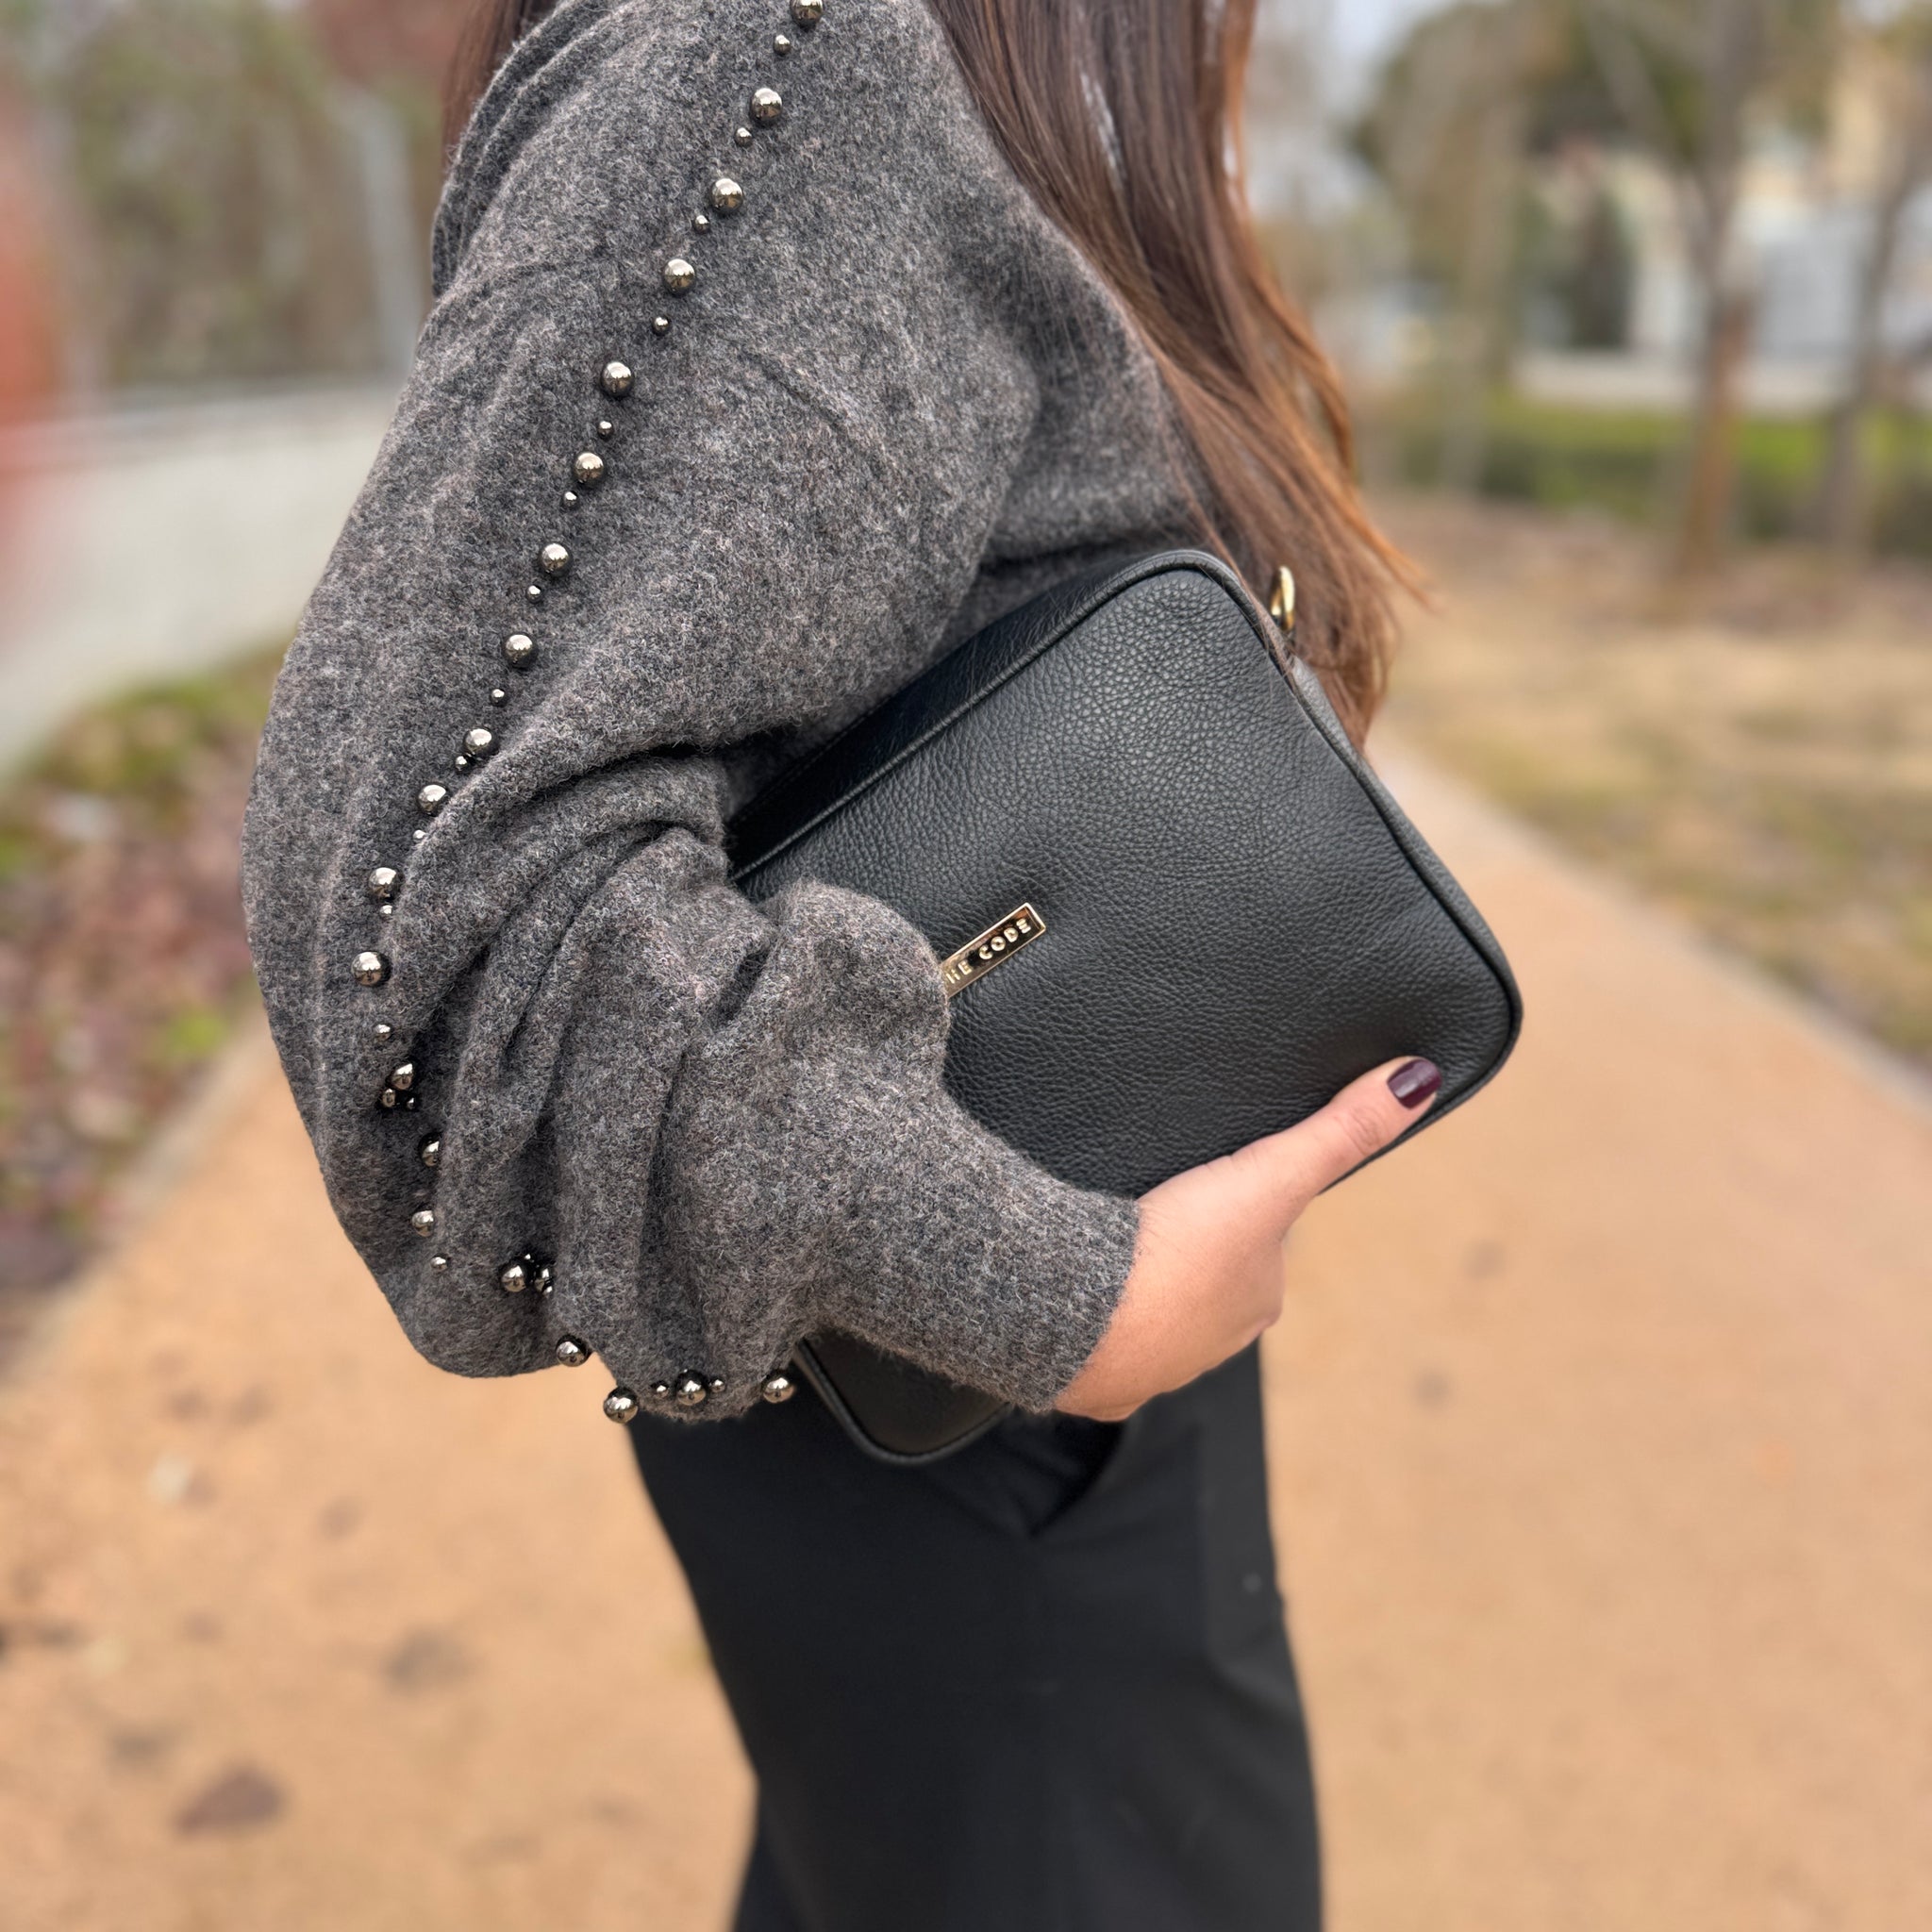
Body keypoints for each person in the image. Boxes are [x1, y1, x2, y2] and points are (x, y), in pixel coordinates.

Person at [242, 0, 1433, 1924]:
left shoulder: (872, 87)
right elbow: (422, 923)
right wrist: (1064, 1293)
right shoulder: (776, 62)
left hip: (985, 1406)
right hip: (978, 1431)